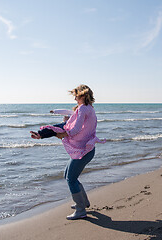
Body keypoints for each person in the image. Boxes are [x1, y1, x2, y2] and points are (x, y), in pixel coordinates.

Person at [55, 84, 105, 220]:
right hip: (87, 149)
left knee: (70, 178)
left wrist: (63, 132)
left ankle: (80, 209)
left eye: (76, 96)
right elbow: (81, 126)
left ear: (82, 95)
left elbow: (76, 129)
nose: (75, 99)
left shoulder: (82, 108)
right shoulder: (90, 108)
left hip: (83, 150)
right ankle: (83, 202)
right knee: (68, 174)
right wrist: (67, 123)